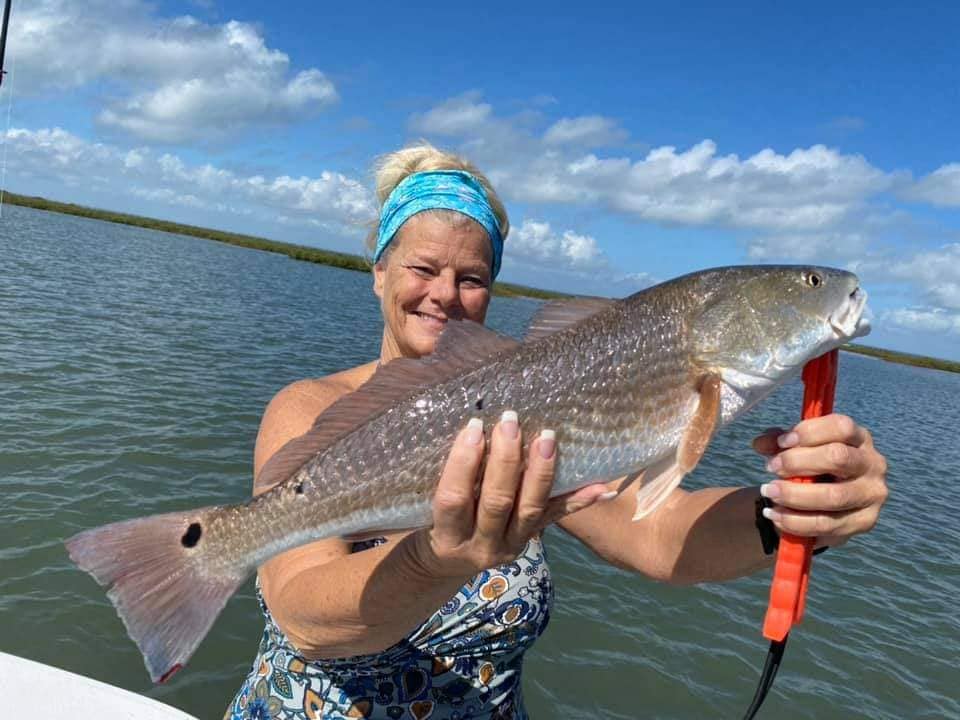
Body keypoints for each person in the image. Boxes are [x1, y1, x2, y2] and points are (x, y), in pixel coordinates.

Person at [226, 143, 889, 720]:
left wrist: (796, 511)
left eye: (472, 278)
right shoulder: (309, 408)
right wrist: (438, 560)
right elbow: (305, 615)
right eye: (423, 268)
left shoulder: (537, 404)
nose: (445, 294)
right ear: (378, 270)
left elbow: (658, 535)